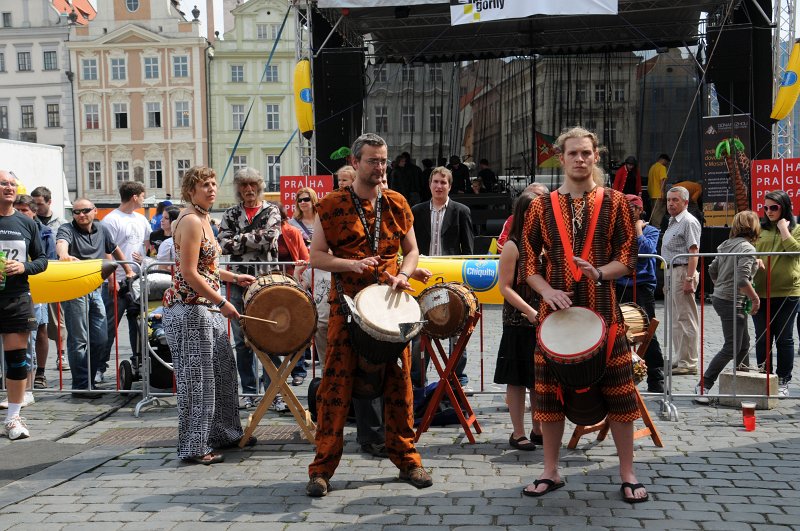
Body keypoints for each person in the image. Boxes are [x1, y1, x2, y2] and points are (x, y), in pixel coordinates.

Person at [519, 126, 647, 503]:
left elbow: (629, 255)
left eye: (586, 153)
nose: (579, 159)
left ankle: (627, 473)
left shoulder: (617, 202)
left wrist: (600, 272)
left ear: (596, 156)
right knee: (548, 398)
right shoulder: (541, 206)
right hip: (553, 319)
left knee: (622, 396)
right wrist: (547, 290)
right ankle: (550, 471)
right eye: (572, 153)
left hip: (605, 316)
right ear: (561, 157)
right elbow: (527, 260)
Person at [306, 132, 432, 497]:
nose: (380, 167)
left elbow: (412, 251)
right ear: (356, 162)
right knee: (335, 390)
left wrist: (404, 276)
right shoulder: (330, 205)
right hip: (345, 309)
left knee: (400, 386)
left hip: (390, 308)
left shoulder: (397, 202)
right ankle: (321, 469)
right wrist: (352, 263)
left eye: (383, 160)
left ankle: (408, 460)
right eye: (373, 161)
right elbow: (316, 256)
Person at [162, 166, 256, 464]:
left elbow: (207, 267)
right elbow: (188, 272)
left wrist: (232, 277)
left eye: (214, 184)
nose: (212, 188)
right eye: (205, 184)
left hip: (206, 307)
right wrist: (222, 302)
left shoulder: (204, 218)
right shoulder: (189, 220)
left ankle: (225, 433)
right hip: (190, 308)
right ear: (191, 190)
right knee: (198, 380)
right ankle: (194, 446)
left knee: (222, 373)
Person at [217, 168, 282, 409]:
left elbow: (270, 237)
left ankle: (274, 392)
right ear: (238, 189)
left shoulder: (271, 210)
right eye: (244, 186)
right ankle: (249, 392)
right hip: (236, 280)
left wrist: (240, 240)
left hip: (266, 280)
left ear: (259, 186)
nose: (249, 190)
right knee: (242, 339)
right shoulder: (231, 213)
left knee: (270, 336)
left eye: (252, 185)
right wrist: (253, 239)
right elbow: (223, 244)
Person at [56, 198, 132, 395]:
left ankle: (88, 381)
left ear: (95, 211)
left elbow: (113, 249)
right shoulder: (67, 228)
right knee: (78, 339)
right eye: (76, 212)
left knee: (100, 338)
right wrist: (64, 255)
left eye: (85, 211)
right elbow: (62, 242)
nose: (81, 215)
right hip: (74, 289)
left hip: (95, 288)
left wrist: (128, 269)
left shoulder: (101, 230)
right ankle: (81, 386)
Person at [411, 166, 475, 392]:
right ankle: (417, 382)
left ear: (450, 185)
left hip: (452, 281)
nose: (439, 186)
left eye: (443, 182)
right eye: (435, 181)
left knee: (457, 331)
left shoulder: (461, 211)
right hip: (423, 280)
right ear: (429, 184)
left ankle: (458, 380)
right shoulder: (416, 211)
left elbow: (468, 250)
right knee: (420, 332)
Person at [0, 171, 48, 440]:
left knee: (17, 361)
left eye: (11, 183)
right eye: (3, 183)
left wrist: (23, 266)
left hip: (17, 298)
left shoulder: (26, 223)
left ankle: (13, 418)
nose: (9, 187)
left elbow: (42, 260)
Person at [695, 210, 761, 403]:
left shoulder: (726, 244)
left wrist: (720, 285)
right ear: (754, 226)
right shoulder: (747, 249)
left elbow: (712, 269)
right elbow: (742, 280)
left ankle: (742, 384)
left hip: (723, 298)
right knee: (732, 346)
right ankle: (704, 385)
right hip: (731, 300)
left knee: (743, 344)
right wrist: (755, 299)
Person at [494, 192, 541, 451]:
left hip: (542, 318)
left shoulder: (544, 242)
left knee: (537, 377)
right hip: (518, 319)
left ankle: (538, 428)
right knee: (517, 378)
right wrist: (528, 311)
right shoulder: (513, 244)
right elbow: (505, 287)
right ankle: (518, 432)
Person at [99, 181, 151, 384]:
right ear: (135, 197)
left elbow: (147, 244)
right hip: (119, 280)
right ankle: (100, 367)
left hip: (138, 280)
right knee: (109, 326)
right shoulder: (111, 220)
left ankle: (139, 363)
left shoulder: (141, 219)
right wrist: (112, 278)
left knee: (138, 325)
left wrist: (146, 262)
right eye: (143, 196)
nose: (144, 199)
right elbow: (107, 250)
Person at [615, 194, 666, 393]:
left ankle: (656, 377)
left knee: (647, 331)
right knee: (618, 331)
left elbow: (647, 250)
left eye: (632, 208)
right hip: (619, 284)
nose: (628, 211)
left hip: (642, 286)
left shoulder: (651, 230)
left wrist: (637, 231)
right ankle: (620, 376)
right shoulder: (616, 231)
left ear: (639, 210)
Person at [752, 190, 800, 397]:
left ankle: (783, 380)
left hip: (787, 291)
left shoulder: (796, 229)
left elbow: (795, 251)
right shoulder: (759, 229)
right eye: (766, 207)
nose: (769, 211)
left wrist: (784, 230)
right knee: (762, 337)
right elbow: (748, 250)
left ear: (784, 207)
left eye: (774, 207)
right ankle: (765, 376)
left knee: (784, 338)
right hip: (760, 291)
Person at [13, 195, 56, 394]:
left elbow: (46, 260)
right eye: (18, 209)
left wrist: (25, 267)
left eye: (24, 210)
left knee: (40, 330)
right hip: (16, 290)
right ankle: (19, 378)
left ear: (33, 212)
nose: (21, 213)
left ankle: (38, 373)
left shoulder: (44, 231)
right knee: (21, 335)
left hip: (39, 287)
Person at [662, 186, 701, 375]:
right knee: (676, 319)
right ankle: (680, 357)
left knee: (686, 318)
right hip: (671, 272)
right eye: (669, 200)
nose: (670, 203)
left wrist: (689, 278)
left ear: (685, 202)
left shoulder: (688, 221)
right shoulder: (672, 221)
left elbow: (694, 251)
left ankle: (689, 362)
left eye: (675, 200)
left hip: (682, 271)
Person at [31, 185, 68, 367]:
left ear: (49, 202)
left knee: (57, 319)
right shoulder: (30, 221)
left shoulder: (61, 223)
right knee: (37, 320)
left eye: (39, 204)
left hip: (53, 274)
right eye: (34, 205)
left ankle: (61, 354)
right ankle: (34, 354)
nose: (36, 208)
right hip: (34, 275)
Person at [497, 183, 549, 254]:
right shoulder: (513, 219)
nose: (533, 199)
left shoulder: (552, 219)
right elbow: (501, 246)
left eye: (538, 196)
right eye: (529, 195)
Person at [646, 153, 670, 227]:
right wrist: (662, 192)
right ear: (663, 160)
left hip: (652, 193)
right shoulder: (662, 167)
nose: (667, 164)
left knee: (654, 211)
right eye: (666, 162)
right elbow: (662, 180)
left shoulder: (652, 167)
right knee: (659, 212)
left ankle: (653, 227)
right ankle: (656, 227)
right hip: (658, 194)